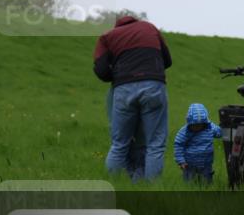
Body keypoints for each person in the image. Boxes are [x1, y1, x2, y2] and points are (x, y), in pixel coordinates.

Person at [93, 15, 172, 180]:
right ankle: (152, 191)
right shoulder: (150, 28)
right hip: (153, 85)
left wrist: (118, 75)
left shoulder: (107, 36)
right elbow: (167, 60)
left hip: (123, 89)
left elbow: (100, 70)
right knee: (155, 144)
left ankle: (113, 185)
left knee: (119, 144)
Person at [173, 104, 222, 183]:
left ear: (204, 122)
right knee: (189, 181)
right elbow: (178, 145)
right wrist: (181, 161)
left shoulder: (210, 128)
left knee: (206, 181)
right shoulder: (185, 132)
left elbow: (220, 133)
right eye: (194, 125)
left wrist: (222, 126)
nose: (197, 127)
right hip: (189, 164)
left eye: (200, 125)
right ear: (189, 123)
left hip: (206, 162)